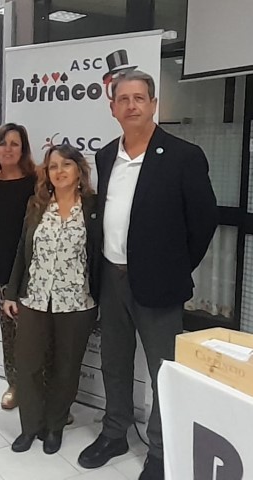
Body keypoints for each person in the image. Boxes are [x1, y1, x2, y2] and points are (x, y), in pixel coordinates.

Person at [77, 70, 217, 480]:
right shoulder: (106, 155)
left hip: (159, 283)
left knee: (163, 371)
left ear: (154, 104)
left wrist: (175, 267)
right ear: (113, 108)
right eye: (123, 99)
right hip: (110, 277)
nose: (132, 105)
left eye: (140, 98)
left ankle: (160, 450)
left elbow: (203, 221)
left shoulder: (183, 156)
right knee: (114, 362)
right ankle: (114, 433)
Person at [2, 145, 100, 455]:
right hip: (35, 298)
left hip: (78, 302)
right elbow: (23, 250)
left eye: (66, 164)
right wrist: (12, 293)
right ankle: (30, 427)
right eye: (53, 166)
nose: (59, 171)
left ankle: (55, 426)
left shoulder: (94, 207)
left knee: (66, 368)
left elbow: (101, 254)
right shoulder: (37, 205)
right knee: (28, 365)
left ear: (79, 170)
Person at [0, 123, 37, 410]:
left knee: (37, 334)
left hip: (35, 269)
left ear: (23, 149)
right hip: (3, 268)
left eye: (15, 144)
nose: (8, 149)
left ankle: (41, 392)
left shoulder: (37, 183)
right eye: (3, 143)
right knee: (10, 331)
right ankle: (14, 385)